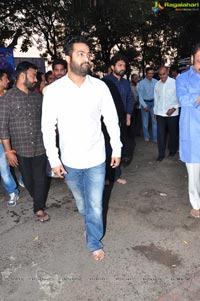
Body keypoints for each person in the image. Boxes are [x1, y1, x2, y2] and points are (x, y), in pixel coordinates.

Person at [42, 35, 121, 260]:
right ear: (68, 58)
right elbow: (48, 128)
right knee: (82, 203)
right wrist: (54, 160)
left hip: (96, 158)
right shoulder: (54, 91)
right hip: (69, 161)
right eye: (81, 54)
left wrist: (116, 148)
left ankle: (93, 240)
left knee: (95, 205)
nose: (87, 58)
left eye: (88, 54)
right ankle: (89, 220)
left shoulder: (100, 87)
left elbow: (111, 120)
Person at [0, 61, 50, 222]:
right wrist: (8, 152)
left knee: (41, 178)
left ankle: (39, 208)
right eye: (33, 75)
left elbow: (45, 121)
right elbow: (3, 128)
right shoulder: (7, 98)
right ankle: (39, 198)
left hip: (40, 145)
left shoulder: (37, 97)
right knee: (28, 180)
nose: (36, 79)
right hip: (21, 149)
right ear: (22, 75)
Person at [176, 42, 200, 218]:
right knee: (194, 174)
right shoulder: (182, 79)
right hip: (192, 133)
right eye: (199, 61)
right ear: (192, 59)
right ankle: (196, 204)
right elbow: (184, 101)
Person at [103, 53, 134, 170]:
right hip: (107, 119)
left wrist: (128, 115)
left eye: (124, 65)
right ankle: (109, 174)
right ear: (112, 67)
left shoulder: (126, 82)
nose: (123, 68)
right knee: (108, 145)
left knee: (121, 141)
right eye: (120, 65)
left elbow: (130, 98)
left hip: (122, 118)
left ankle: (117, 170)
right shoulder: (105, 82)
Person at [0, 70, 19, 206]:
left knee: (5, 170)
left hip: (4, 140)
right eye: (5, 78)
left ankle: (13, 192)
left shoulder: (8, 96)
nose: (8, 81)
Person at [154, 66, 179, 161]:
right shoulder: (157, 84)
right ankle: (161, 154)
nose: (162, 76)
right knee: (160, 135)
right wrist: (155, 112)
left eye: (163, 74)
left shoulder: (175, 83)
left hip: (172, 114)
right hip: (160, 113)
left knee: (173, 133)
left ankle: (172, 150)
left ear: (167, 72)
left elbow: (180, 97)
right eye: (160, 75)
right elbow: (156, 99)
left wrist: (173, 108)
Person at [138, 67, 157, 142]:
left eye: (152, 73)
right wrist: (144, 105)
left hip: (154, 103)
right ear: (146, 73)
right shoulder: (142, 83)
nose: (151, 75)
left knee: (155, 121)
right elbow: (140, 96)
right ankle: (146, 136)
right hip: (145, 103)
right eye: (149, 73)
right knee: (145, 121)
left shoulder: (155, 81)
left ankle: (155, 138)